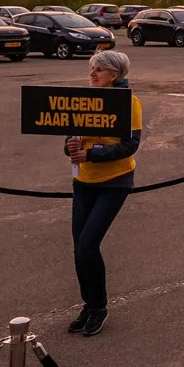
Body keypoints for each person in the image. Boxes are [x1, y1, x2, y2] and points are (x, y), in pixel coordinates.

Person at [65, 49, 142, 336]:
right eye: (92, 68)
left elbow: (130, 145)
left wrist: (91, 154)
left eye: (98, 69)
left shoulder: (129, 103)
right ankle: (88, 303)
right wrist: (70, 147)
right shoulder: (84, 101)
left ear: (114, 74)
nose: (92, 74)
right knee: (79, 248)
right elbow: (70, 137)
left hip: (114, 181)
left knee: (88, 244)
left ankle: (99, 307)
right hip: (83, 181)